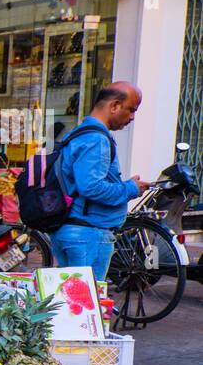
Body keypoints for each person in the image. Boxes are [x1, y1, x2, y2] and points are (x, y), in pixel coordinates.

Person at [51, 82, 150, 281]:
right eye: (131, 110)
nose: (132, 117)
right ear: (114, 106)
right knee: (85, 306)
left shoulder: (78, 133)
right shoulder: (97, 139)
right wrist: (131, 188)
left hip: (71, 229)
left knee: (71, 304)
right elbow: (91, 187)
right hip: (88, 234)